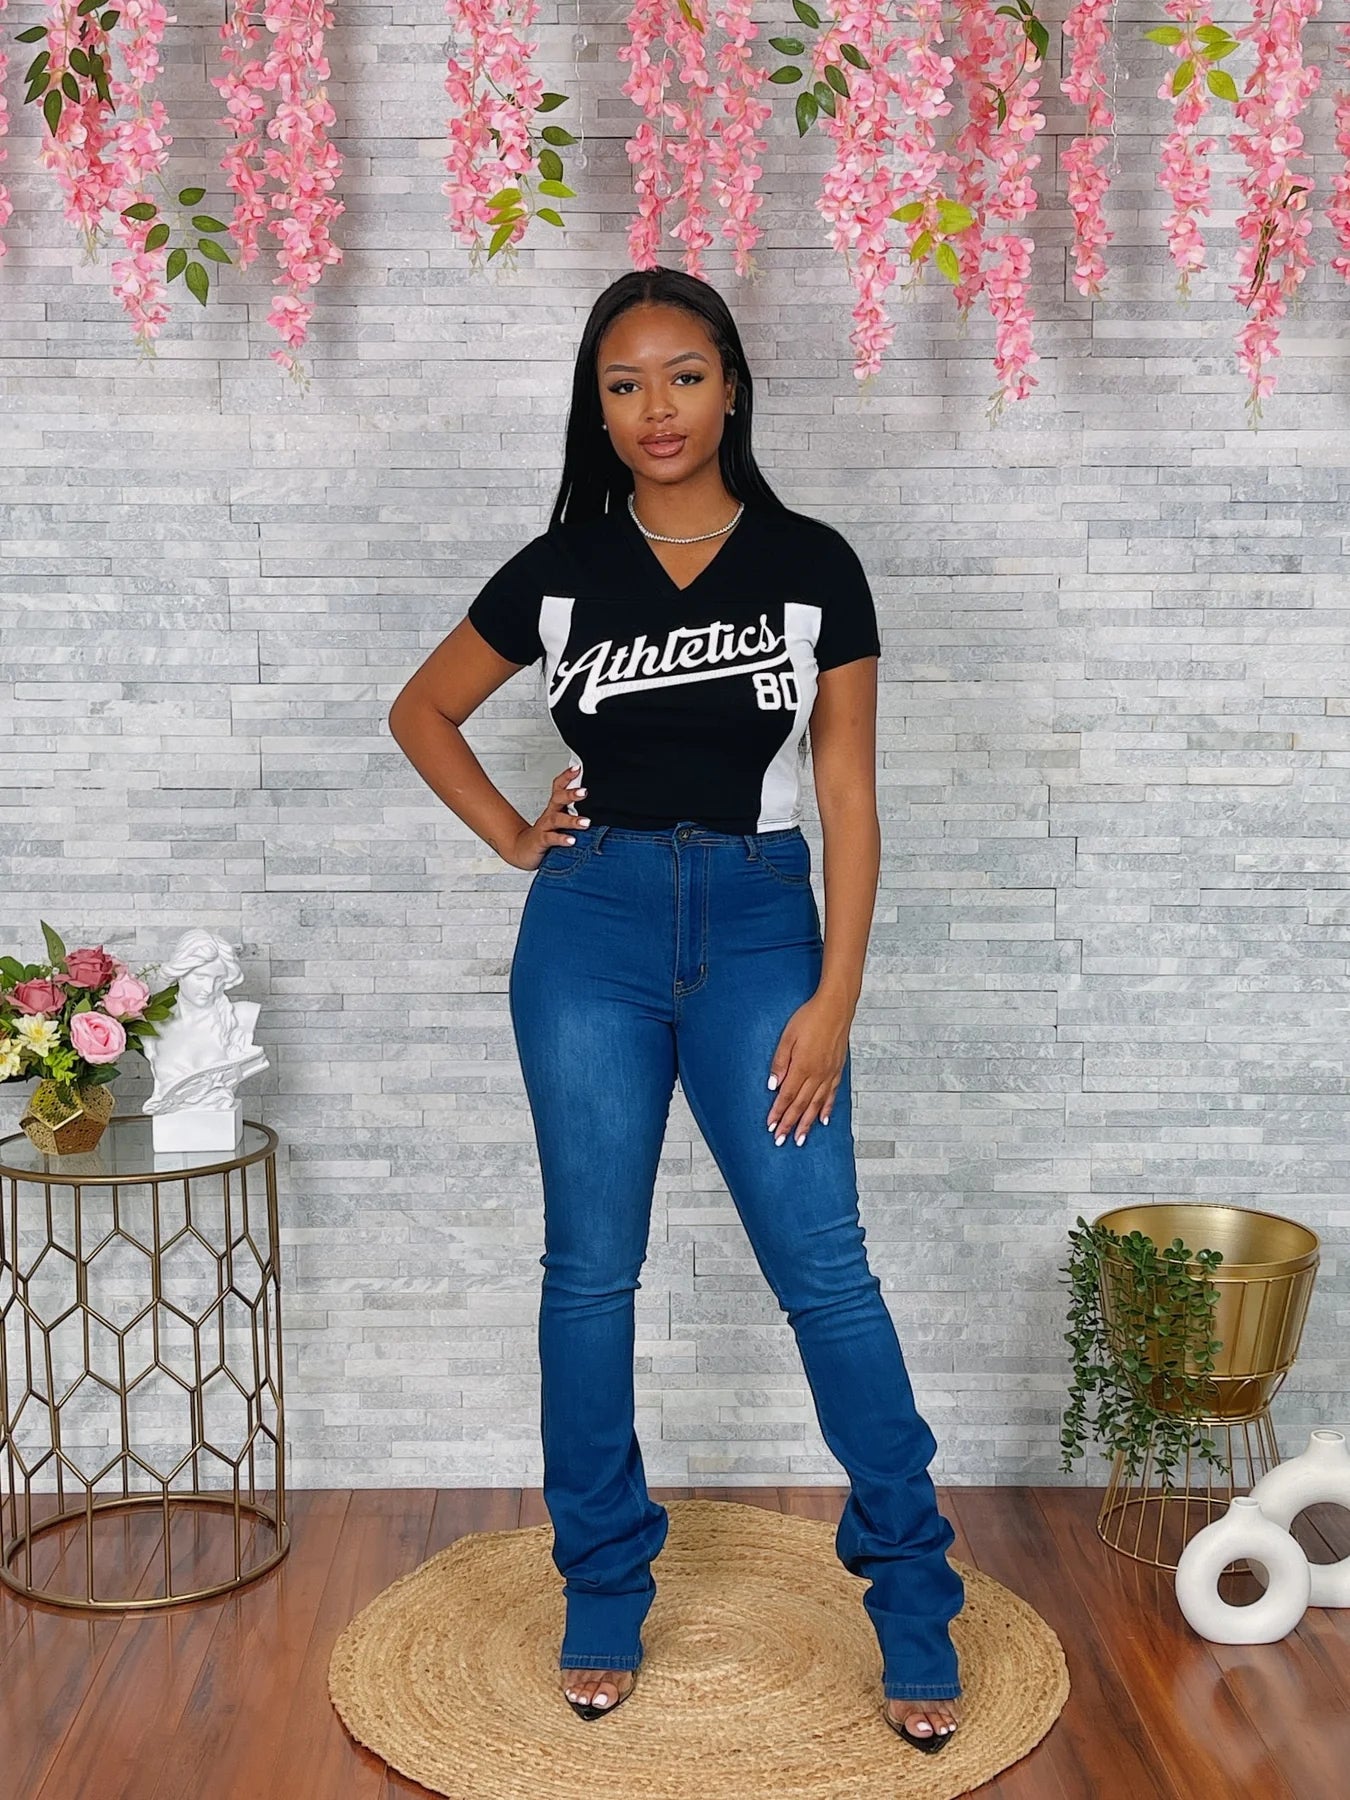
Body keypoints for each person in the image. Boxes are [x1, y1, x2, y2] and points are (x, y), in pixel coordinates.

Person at [388, 267, 965, 1752]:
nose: (656, 407)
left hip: (768, 925)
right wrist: (517, 833)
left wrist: (836, 990)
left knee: (822, 1267)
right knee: (589, 1271)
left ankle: (910, 1590)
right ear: (598, 405)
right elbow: (421, 710)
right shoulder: (561, 569)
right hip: (588, 931)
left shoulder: (812, 564)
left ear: (731, 387)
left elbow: (846, 791)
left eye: (684, 374)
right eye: (624, 383)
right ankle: (600, 1580)